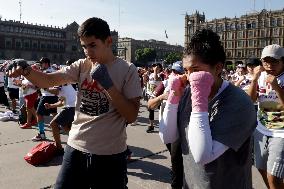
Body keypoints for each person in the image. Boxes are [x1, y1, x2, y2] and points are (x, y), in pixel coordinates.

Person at [8, 17, 141, 189]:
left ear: (108, 41)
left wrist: (109, 85)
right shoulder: (81, 65)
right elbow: (48, 80)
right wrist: (26, 70)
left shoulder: (127, 70)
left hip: (110, 154)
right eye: (84, 46)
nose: (87, 52)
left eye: (92, 45)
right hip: (76, 146)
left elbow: (131, 115)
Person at [177, 29, 256, 189]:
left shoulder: (239, 103)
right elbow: (169, 136)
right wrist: (172, 100)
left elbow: (202, 155)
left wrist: (199, 99)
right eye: (186, 70)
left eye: (195, 70)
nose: (189, 77)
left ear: (218, 68)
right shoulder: (186, 92)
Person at [247, 44, 284, 189]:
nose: (269, 65)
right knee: (260, 168)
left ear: (283, 61)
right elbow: (250, 100)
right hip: (261, 129)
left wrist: (276, 87)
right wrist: (254, 79)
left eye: (274, 61)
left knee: (273, 176)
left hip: (281, 133)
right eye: (265, 61)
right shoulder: (261, 76)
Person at [44, 84, 77, 155]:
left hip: (71, 107)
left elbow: (55, 91)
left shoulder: (58, 81)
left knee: (53, 124)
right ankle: (78, 145)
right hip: (72, 107)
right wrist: (51, 106)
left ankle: (59, 149)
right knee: (66, 128)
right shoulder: (60, 84)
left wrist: (44, 87)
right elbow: (62, 102)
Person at [32, 57, 59, 141]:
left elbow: (39, 83)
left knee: (39, 114)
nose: (40, 65)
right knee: (54, 113)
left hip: (47, 96)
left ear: (46, 63)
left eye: (42, 63)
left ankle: (42, 133)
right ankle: (58, 127)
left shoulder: (47, 71)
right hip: (53, 95)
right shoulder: (53, 70)